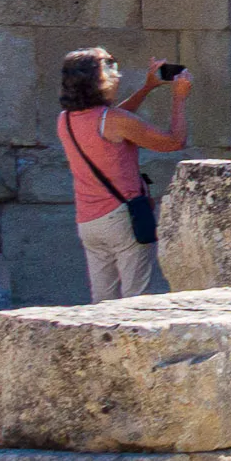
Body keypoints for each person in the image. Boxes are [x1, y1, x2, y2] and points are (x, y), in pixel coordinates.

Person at [57, 47, 189, 302]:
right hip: (122, 218)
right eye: (110, 66)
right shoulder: (113, 120)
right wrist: (179, 98)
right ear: (97, 79)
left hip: (89, 222)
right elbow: (174, 141)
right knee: (136, 301)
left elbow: (113, 120)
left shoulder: (65, 120)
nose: (118, 73)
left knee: (102, 301)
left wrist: (147, 88)